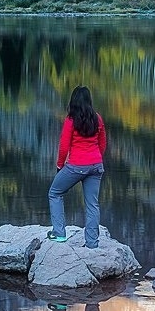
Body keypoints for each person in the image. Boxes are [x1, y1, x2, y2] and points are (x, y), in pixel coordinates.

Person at [48, 85, 106, 248]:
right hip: (96, 166)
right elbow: (102, 143)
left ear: (73, 101)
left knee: (55, 193)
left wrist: (60, 165)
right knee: (92, 204)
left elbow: (64, 146)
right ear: (89, 100)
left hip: (76, 166)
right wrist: (95, 159)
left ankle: (59, 234)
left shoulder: (71, 120)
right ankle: (92, 243)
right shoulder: (97, 118)